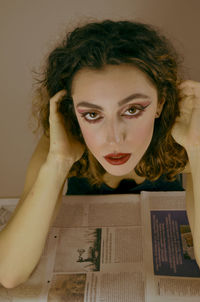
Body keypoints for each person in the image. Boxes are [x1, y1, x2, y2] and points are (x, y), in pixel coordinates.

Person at [0, 19, 199, 288]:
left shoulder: (185, 138)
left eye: (132, 110)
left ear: (161, 102)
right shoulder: (61, 145)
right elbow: (8, 273)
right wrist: (58, 162)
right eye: (92, 114)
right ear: (72, 111)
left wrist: (197, 149)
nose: (113, 138)